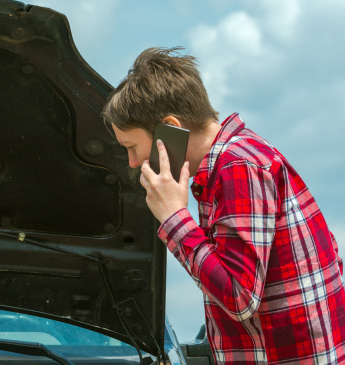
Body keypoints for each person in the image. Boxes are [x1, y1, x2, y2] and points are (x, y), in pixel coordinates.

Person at [102, 47, 345, 364]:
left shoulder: (237, 168)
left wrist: (175, 218)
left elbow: (240, 297)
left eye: (132, 147)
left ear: (169, 127)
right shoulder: (234, 160)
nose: (133, 163)